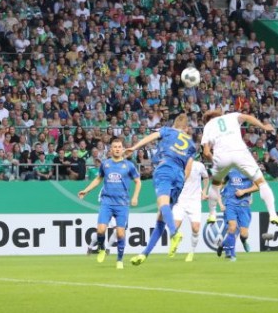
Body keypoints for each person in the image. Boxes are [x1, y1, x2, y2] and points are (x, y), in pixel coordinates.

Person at [126, 114, 196, 266]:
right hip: (179, 176)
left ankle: (174, 233)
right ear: (186, 128)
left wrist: (134, 147)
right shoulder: (191, 144)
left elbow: (152, 136)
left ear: (176, 125)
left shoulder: (169, 130)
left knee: (162, 204)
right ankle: (144, 254)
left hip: (165, 167)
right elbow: (189, 167)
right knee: (161, 217)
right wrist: (181, 182)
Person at [201, 110, 278, 229]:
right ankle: (273, 215)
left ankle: (212, 214)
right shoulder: (231, 116)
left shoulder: (208, 126)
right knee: (261, 183)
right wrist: (263, 126)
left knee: (215, 184)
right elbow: (247, 117)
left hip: (221, 156)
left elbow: (206, 152)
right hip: (240, 153)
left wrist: (214, 163)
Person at [78, 138, 142, 269]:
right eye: (115, 147)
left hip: (122, 204)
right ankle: (101, 248)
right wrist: (86, 191)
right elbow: (98, 179)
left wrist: (135, 197)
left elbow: (138, 181)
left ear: (122, 149)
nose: (117, 149)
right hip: (107, 202)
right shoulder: (105, 164)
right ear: (111, 149)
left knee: (120, 233)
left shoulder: (129, 165)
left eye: (119, 146)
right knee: (101, 230)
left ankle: (119, 260)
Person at [170, 155, 209, 262]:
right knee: (173, 227)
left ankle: (191, 252)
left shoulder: (199, 166)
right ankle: (177, 238)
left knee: (196, 228)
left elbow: (206, 177)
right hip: (180, 200)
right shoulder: (177, 165)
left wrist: (204, 191)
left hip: (194, 201)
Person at [217, 169, 258, 261]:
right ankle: (232, 255)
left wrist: (244, 191)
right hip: (230, 203)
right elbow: (220, 184)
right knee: (232, 227)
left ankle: (224, 244)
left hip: (244, 205)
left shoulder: (251, 171)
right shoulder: (230, 170)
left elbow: (257, 186)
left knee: (244, 234)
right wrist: (216, 192)